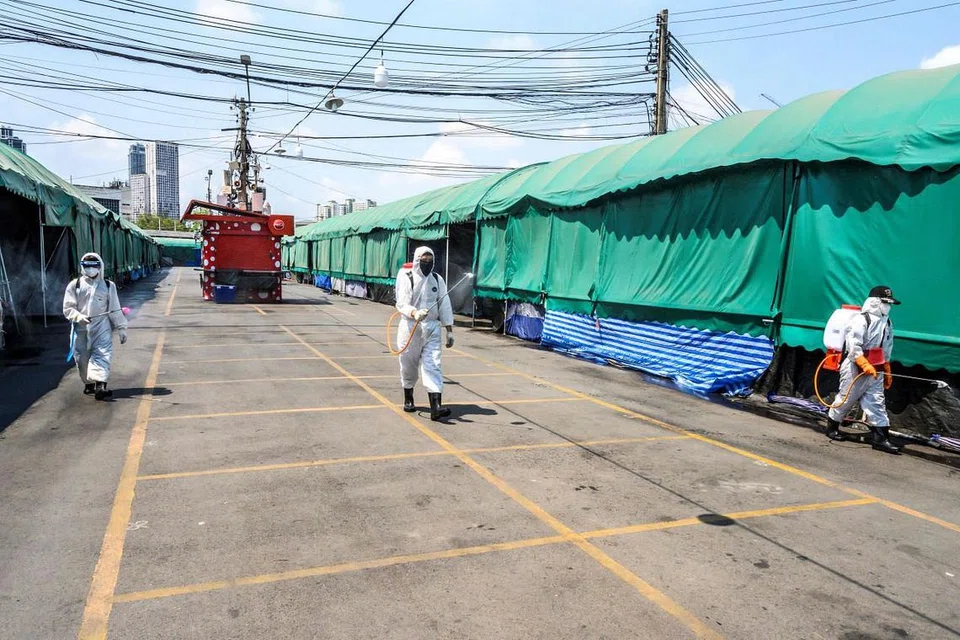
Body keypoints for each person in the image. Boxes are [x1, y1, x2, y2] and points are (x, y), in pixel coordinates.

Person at [825, 286, 900, 454]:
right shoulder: (861, 320)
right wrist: (863, 363)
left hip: (876, 367)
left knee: (877, 402)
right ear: (875, 302)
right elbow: (853, 345)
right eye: (885, 303)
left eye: (889, 304)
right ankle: (832, 427)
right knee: (846, 399)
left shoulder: (887, 322)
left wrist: (886, 368)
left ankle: (880, 439)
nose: (888, 307)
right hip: (855, 367)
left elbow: (887, 346)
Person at [395, 246, 455, 421]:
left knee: (433, 364)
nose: (427, 264)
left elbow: (444, 304)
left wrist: (449, 330)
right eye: (424, 260)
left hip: (431, 328)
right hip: (410, 327)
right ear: (416, 260)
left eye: (430, 260)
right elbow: (401, 303)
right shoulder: (407, 277)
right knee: (409, 364)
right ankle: (408, 397)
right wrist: (414, 313)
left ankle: (436, 406)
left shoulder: (437, 279)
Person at [63, 253, 128, 401]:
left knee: (103, 354)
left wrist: (121, 328)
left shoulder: (108, 286)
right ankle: (88, 383)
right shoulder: (74, 285)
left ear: (100, 267)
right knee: (81, 360)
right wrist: (79, 317)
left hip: (101, 327)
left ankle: (101, 386)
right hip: (80, 329)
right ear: (82, 267)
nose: (91, 269)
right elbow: (68, 308)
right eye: (88, 266)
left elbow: (115, 308)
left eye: (94, 266)